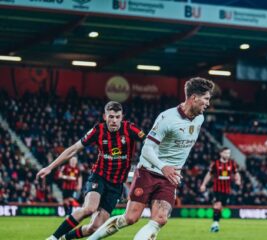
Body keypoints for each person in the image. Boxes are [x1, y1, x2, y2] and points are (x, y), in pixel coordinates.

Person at [87, 77, 214, 240]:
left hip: (170, 177)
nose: (208, 103)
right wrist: (163, 166)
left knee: (160, 219)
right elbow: (146, 149)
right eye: (206, 99)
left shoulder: (200, 118)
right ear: (194, 97)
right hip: (148, 171)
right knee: (131, 218)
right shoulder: (167, 118)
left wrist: (172, 168)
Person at [36, 101, 145, 240]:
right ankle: (53, 238)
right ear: (105, 116)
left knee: (95, 227)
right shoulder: (98, 131)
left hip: (116, 185)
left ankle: (65, 238)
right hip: (99, 176)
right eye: (111, 117)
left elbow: (150, 142)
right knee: (89, 208)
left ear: (122, 117)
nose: (114, 121)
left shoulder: (130, 129)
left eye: (117, 117)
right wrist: (50, 167)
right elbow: (74, 149)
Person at [200, 147, 241, 232]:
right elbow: (209, 174)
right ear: (221, 153)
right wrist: (203, 184)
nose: (227, 155)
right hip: (217, 189)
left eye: (229, 153)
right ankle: (215, 224)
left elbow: (236, 174)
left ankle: (216, 222)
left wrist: (238, 181)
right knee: (217, 205)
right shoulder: (215, 163)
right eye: (226, 153)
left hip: (227, 190)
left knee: (221, 207)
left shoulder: (232, 164)